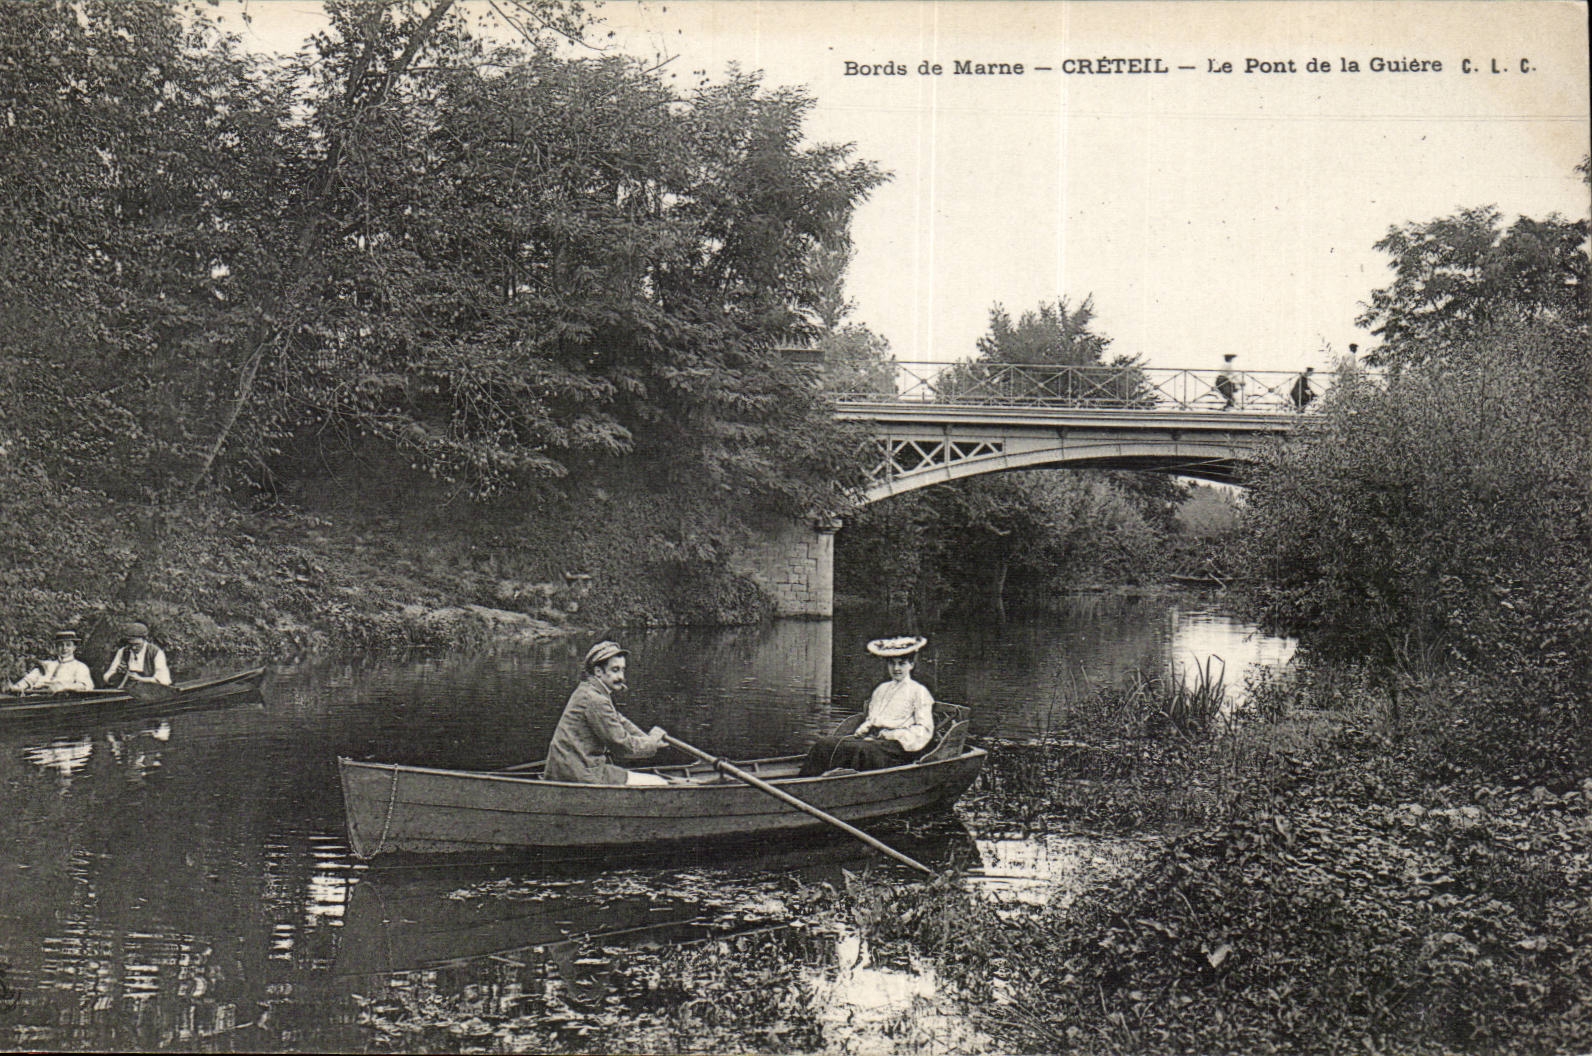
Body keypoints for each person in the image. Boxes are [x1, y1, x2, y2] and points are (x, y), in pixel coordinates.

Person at [799, 636, 936, 777]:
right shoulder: (882, 689)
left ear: (911, 665)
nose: (896, 668)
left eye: (901, 663)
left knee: (861, 751)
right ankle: (805, 782)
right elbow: (873, 718)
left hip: (898, 748)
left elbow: (923, 730)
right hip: (874, 741)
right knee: (825, 744)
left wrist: (892, 735)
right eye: (891, 664)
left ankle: (849, 787)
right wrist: (866, 727)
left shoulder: (919, 691)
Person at [544, 640, 671, 786]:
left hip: (571, 769)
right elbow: (622, 745)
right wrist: (651, 743)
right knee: (659, 783)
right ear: (598, 671)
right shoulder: (595, 699)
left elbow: (620, 721)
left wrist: (648, 738)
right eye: (615, 670)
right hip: (581, 773)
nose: (621, 677)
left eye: (623, 670)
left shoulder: (590, 690)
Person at [8, 629, 95, 693]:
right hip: (36, 698)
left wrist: (62, 687)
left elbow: (84, 686)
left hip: (59, 703)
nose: (64, 648)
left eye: (68, 645)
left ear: (74, 648)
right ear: (56, 648)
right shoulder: (47, 664)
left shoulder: (80, 667)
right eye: (61, 645)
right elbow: (29, 679)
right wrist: (18, 687)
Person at [103, 621, 172, 689]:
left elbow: (163, 680)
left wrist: (140, 679)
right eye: (131, 644)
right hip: (127, 692)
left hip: (150, 692)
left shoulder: (155, 652)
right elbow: (107, 677)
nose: (134, 647)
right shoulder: (123, 652)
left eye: (137, 644)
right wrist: (118, 674)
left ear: (145, 639)